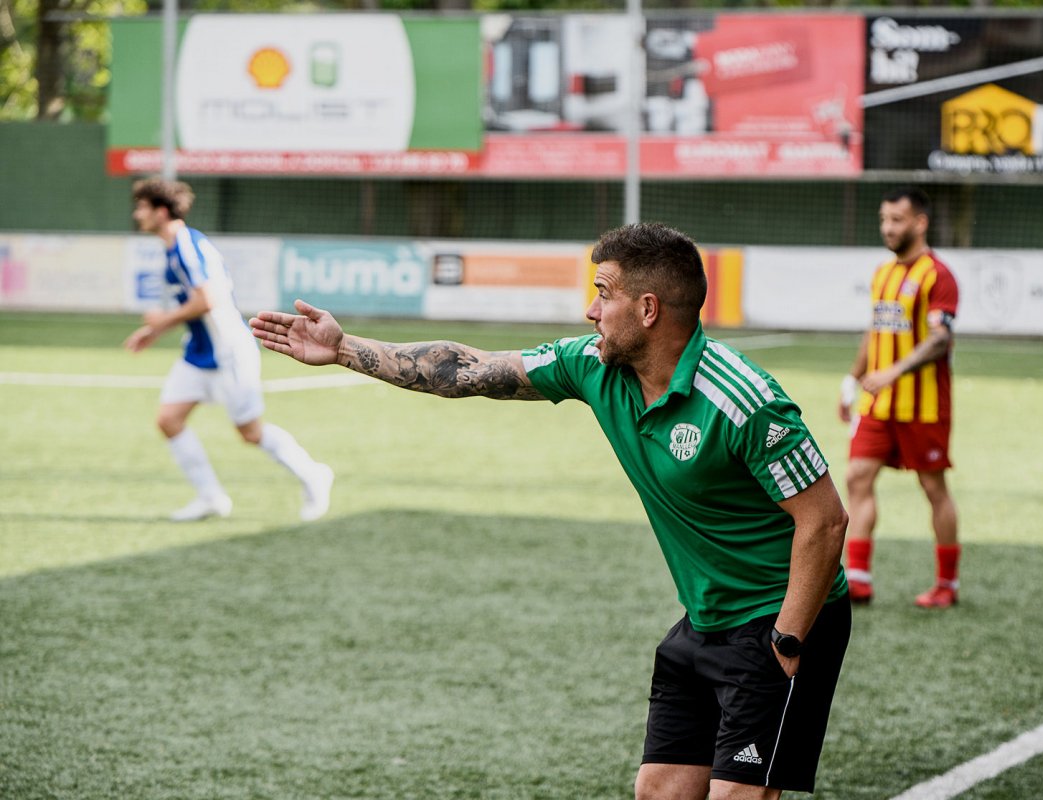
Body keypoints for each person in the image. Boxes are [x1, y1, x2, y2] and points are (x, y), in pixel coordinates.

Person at [251, 222, 851, 799]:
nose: (590, 311)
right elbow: (465, 372)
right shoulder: (594, 366)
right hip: (705, 618)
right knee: (661, 790)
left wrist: (790, 642)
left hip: (781, 617)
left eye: (603, 294)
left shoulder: (744, 400)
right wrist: (345, 348)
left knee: (737, 796)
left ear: (647, 309)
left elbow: (824, 520)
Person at [124, 178, 334, 523]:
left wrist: (160, 322)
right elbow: (198, 302)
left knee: (250, 433)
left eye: (142, 207)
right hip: (199, 352)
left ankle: (314, 474)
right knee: (169, 420)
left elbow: (209, 299)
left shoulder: (186, 246)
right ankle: (211, 498)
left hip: (228, 353)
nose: (137, 214)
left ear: (161, 211)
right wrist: (154, 330)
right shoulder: (176, 246)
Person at [837, 187, 960, 609]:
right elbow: (876, 334)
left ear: (919, 223)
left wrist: (893, 371)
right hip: (877, 405)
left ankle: (947, 584)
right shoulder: (882, 274)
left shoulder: (937, 275)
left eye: (897, 220)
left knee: (932, 486)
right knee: (857, 477)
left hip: (922, 406)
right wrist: (853, 380)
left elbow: (941, 339)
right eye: (884, 219)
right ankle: (858, 578)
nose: (888, 228)